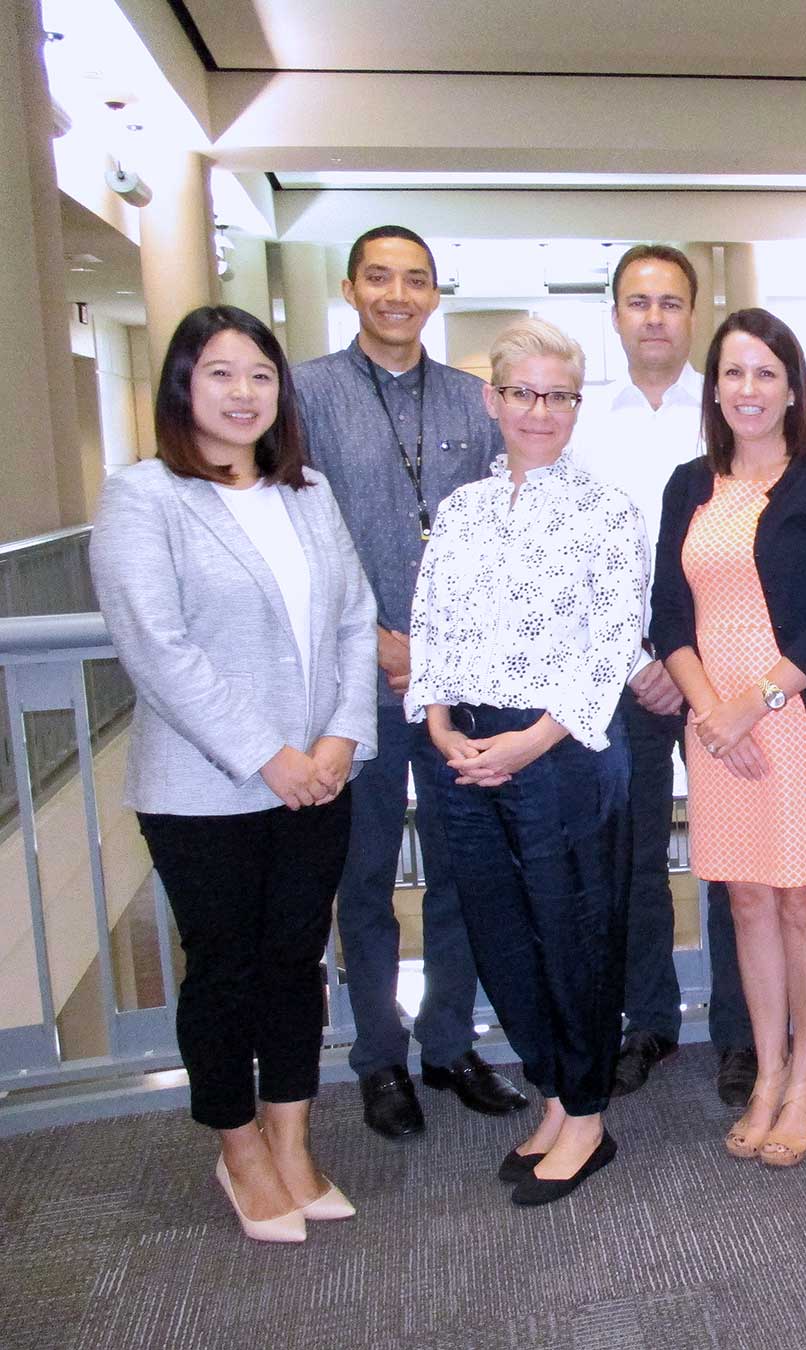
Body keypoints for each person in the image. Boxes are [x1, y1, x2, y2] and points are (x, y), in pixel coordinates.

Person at [90, 306, 377, 1242]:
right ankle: (239, 1148)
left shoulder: (309, 492)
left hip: (321, 780)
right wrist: (269, 756)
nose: (244, 392)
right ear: (184, 386)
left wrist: (338, 740)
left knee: (297, 962)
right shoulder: (143, 497)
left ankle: (292, 1139)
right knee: (224, 970)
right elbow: (159, 650)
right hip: (205, 789)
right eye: (220, 373)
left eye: (260, 374)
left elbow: (351, 621)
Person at [294, 225, 527, 1138]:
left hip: (462, 678)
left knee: (465, 869)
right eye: (379, 277)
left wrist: (439, 648)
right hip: (355, 679)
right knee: (363, 876)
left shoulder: (478, 401)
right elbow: (302, 533)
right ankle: (378, 1057)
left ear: (437, 294)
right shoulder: (305, 395)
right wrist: (381, 640)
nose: (398, 293)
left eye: (416, 279)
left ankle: (448, 1042)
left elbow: (501, 535)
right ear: (351, 288)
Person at [406, 317, 645, 1206]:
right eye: (522, 393)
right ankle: (551, 1092)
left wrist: (531, 740)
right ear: (492, 399)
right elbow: (432, 627)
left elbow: (613, 644)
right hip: (462, 750)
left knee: (573, 932)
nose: (539, 412)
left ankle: (587, 1112)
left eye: (558, 396)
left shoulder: (606, 511)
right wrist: (436, 727)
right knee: (501, 933)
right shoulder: (462, 510)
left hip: (561, 752)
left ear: (576, 406)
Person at [651, 308, 806, 1168]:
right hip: (713, 723)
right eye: (733, 373)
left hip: (801, 719)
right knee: (745, 899)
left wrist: (754, 705)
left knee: (804, 901)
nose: (748, 389)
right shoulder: (687, 483)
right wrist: (712, 712)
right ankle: (769, 1071)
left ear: (791, 388)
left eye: (765, 373)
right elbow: (669, 616)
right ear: (716, 387)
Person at [565, 244, 755, 1107]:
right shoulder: (581, 423)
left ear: (694, 316)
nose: (654, 317)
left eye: (671, 303)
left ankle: (740, 1032)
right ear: (615, 316)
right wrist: (643, 660)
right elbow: (574, 561)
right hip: (619, 677)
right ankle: (648, 1020)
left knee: (732, 854)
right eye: (638, 302)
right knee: (632, 859)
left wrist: (692, 666)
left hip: (721, 673)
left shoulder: (726, 419)